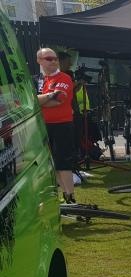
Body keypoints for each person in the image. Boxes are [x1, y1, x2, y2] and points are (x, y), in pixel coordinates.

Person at [36, 48, 77, 203]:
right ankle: (65, 194)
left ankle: (71, 197)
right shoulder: (38, 80)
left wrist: (38, 100)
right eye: (49, 58)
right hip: (43, 125)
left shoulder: (64, 77)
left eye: (55, 59)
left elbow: (59, 99)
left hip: (62, 125)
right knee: (51, 163)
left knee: (62, 162)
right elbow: (27, 101)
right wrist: (48, 96)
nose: (53, 61)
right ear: (39, 60)